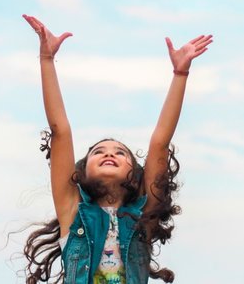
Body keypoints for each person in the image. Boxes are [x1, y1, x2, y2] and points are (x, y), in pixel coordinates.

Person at [21, 14, 212, 284]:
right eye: (98, 151)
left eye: (121, 153)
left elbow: (160, 141)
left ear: (135, 174)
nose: (109, 153)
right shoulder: (72, 212)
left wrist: (180, 73)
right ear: (81, 172)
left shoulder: (143, 217)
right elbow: (60, 131)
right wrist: (47, 60)